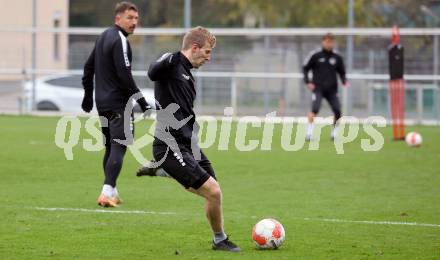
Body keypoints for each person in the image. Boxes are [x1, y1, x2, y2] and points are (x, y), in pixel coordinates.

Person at [140, 26, 240, 252]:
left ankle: (165, 170)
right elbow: (152, 72)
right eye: (206, 52)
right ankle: (219, 240)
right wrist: (173, 57)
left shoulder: (187, 74)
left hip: (188, 144)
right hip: (169, 144)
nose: (209, 57)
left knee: (214, 193)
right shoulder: (172, 63)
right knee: (212, 191)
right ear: (194, 48)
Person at [81, 1, 151, 207]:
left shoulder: (103, 36)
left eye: (136, 18)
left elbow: (87, 68)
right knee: (119, 146)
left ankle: (112, 190)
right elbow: (124, 74)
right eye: (130, 18)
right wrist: (140, 99)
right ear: (117, 18)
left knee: (110, 147)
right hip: (119, 104)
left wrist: (88, 96)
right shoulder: (119, 39)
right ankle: (106, 192)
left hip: (103, 104)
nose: (134, 22)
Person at [303, 33, 348, 141]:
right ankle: (309, 134)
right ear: (323, 42)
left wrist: (344, 80)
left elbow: (342, 72)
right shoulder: (316, 55)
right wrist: (307, 81)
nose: (329, 44)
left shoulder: (337, 57)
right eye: (327, 41)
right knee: (315, 109)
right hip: (318, 88)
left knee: (338, 111)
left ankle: (334, 134)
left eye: (331, 42)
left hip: (332, 90)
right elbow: (305, 68)